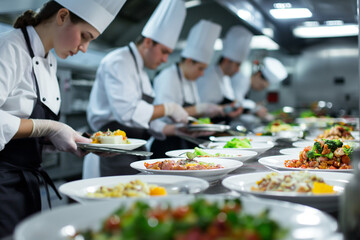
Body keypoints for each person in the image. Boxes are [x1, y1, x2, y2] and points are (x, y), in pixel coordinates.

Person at [0, 0, 126, 237]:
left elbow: (25, 133)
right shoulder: (9, 48)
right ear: (62, 16)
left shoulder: (50, 59)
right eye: (84, 36)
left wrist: (73, 141)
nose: (84, 48)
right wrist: (49, 126)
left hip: (27, 185)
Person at [87, 0, 188, 176]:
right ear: (148, 42)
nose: (165, 59)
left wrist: (176, 129)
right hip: (114, 150)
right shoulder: (119, 61)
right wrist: (169, 108)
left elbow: (146, 118)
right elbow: (127, 112)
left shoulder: (141, 70)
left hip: (135, 148)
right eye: (164, 52)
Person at [150, 19, 223, 158]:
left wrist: (205, 115)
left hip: (185, 141)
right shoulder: (168, 77)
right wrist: (200, 108)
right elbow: (163, 114)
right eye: (200, 68)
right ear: (189, 61)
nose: (202, 74)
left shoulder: (190, 79)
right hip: (165, 144)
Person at [196, 25, 254, 123]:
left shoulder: (225, 78)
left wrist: (229, 110)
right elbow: (201, 112)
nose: (238, 70)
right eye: (237, 65)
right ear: (227, 60)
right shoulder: (209, 78)